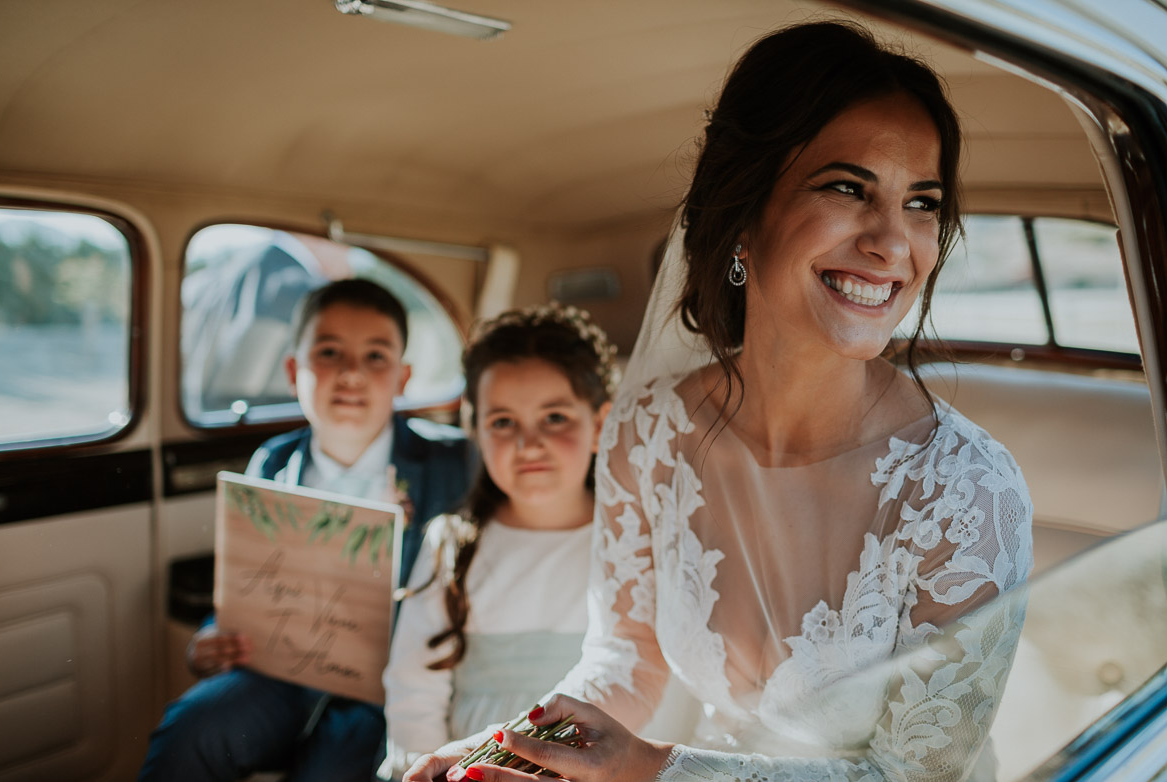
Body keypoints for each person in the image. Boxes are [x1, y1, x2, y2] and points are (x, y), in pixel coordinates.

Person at [405, 20, 1033, 782]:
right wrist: (511, 754)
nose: (893, 244)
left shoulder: (965, 494)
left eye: (922, 203)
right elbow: (625, 656)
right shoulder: (647, 433)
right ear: (743, 213)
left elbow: (915, 778)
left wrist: (654, 767)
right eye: (847, 188)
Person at [138, 277, 473, 782]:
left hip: (385, 684)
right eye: (330, 352)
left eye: (375, 356)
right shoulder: (272, 462)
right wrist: (212, 636)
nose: (352, 374)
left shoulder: (450, 463)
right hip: (281, 671)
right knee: (188, 731)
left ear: (403, 377)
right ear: (295, 371)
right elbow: (249, 581)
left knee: (331, 767)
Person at [376, 303, 615, 781]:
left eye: (554, 417)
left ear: (600, 426)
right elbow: (414, 690)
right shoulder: (451, 543)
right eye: (503, 422)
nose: (529, 444)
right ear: (476, 431)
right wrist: (427, 767)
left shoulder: (627, 542)